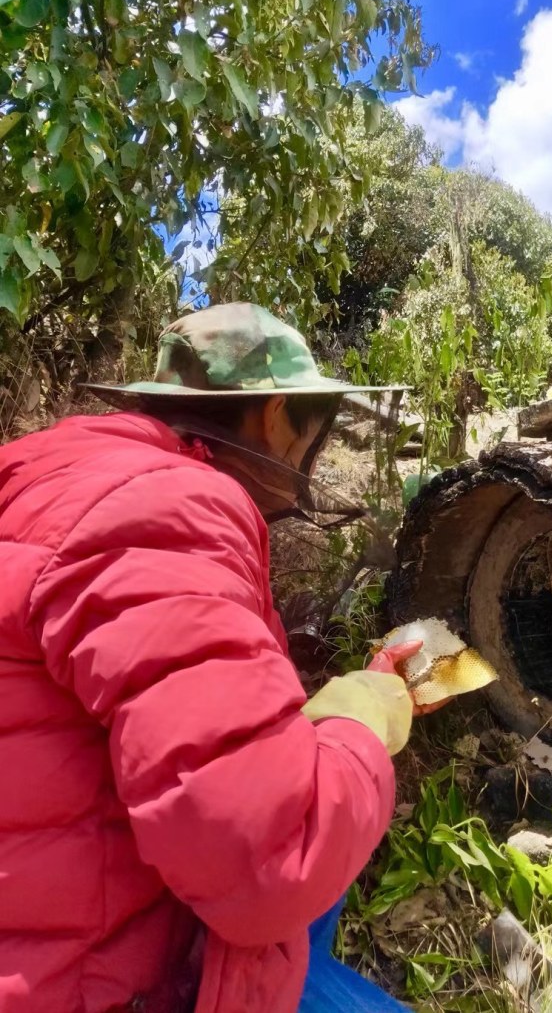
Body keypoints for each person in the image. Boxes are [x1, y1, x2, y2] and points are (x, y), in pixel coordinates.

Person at [0, 302, 426, 1013]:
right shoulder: (168, 506)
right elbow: (271, 859)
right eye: (314, 430)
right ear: (277, 416)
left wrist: (301, 731)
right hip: (87, 978)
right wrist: (364, 726)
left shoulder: (66, 475)